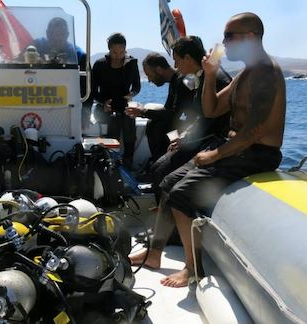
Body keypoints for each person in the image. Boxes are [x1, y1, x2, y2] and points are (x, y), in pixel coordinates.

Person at [158, 12, 286, 287]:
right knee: (167, 182)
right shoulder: (246, 73)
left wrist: (215, 154)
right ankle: (156, 252)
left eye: (230, 36)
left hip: (256, 154)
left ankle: (192, 269)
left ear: (251, 37)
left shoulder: (266, 72)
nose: (223, 43)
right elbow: (212, 108)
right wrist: (210, 74)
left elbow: (256, 130)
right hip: (234, 148)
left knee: (180, 195)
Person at [128, 36, 231, 269]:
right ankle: (161, 242)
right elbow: (197, 117)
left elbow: (213, 122)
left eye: (177, 60)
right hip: (199, 139)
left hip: (212, 144)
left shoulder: (215, 79)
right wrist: (183, 137)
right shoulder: (199, 78)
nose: (176, 66)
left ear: (187, 58)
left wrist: (186, 140)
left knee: (163, 173)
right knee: (159, 170)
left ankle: (165, 240)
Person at [125, 52, 196, 166]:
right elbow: (168, 109)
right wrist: (143, 112)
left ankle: (163, 164)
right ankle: (157, 162)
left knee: (160, 127)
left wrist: (143, 112)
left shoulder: (181, 82)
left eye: (149, 75)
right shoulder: (174, 81)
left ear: (158, 70)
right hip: (180, 125)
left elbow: (174, 114)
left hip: (189, 130)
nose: (148, 80)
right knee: (152, 124)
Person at [91, 33, 141, 168]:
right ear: (109, 50)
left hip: (123, 103)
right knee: (115, 118)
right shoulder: (99, 65)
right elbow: (92, 91)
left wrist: (132, 93)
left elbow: (137, 86)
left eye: (121, 51)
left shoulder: (131, 63)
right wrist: (103, 102)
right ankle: (111, 160)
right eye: (114, 52)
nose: (118, 55)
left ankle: (128, 161)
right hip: (104, 106)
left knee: (129, 119)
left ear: (125, 49)